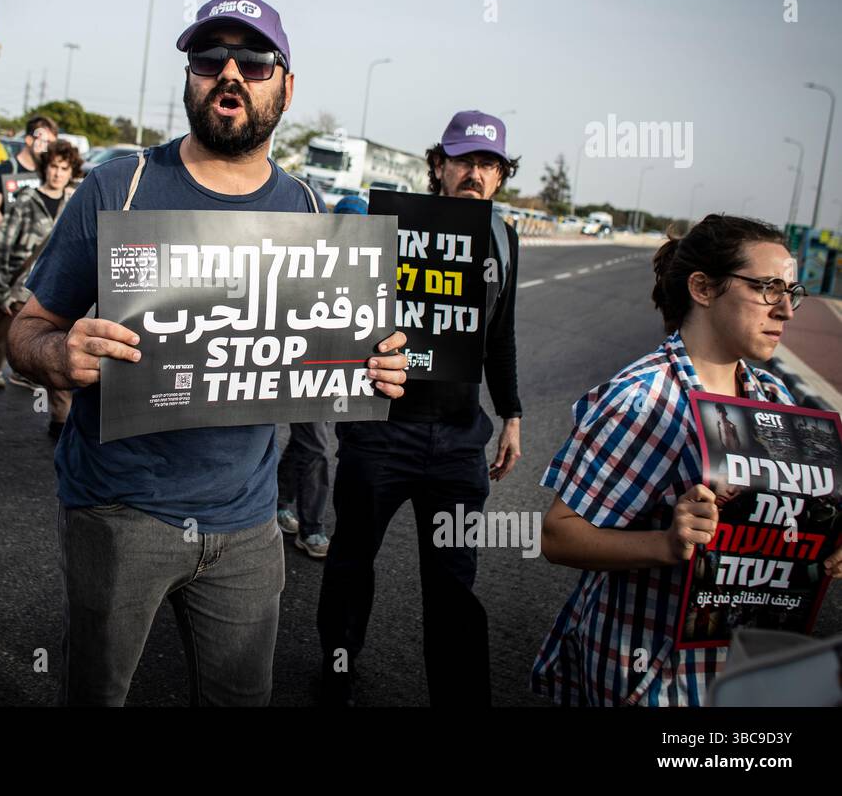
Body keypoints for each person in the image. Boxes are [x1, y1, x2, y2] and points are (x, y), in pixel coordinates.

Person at [6, 0, 410, 706]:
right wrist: (59, 352)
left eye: (254, 61)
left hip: (249, 525)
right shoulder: (119, 187)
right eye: (208, 58)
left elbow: (328, 361)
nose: (230, 73)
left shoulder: (313, 213)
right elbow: (24, 331)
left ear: (287, 86)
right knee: (95, 694)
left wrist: (373, 367)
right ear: (190, 77)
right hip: (117, 511)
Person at [532, 214, 842, 706]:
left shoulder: (773, 396)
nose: (786, 309)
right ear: (703, 287)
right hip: (646, 675)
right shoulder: (644, 398)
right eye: (766, 288)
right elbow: (557, 534)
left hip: (736, 670)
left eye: (791, 290)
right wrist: (668, 543)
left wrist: (823, 544)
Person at [317, 110, 523, 707]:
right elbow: (340, 315)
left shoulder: (505, 239)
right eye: (465, 161)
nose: (476, 175)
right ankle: (335, 674)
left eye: (490, 165)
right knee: (352, 560)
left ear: (501, 176)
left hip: (460, 442)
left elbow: (500, 338)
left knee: (454, 582)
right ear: (439, 165)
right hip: (380, 431)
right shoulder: (391, 224)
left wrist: (511, 415)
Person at [276, 195, 369, 558]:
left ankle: (279, 501)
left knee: (305, 443)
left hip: (336, 374)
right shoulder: (308, 260)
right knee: (315, 446)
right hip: (301, 372)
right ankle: (311, 528)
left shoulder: (365, 270)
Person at [0, 140, 80, 435]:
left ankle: (58, 417)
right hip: (19, 290)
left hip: (57, 292)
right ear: (46, 168)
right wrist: (0, 291)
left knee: (59, 353)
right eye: (54, 166)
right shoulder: (27, 200)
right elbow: (1, 246)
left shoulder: (76, 202)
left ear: (72, 172)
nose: (58, 173)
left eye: (64, 168)